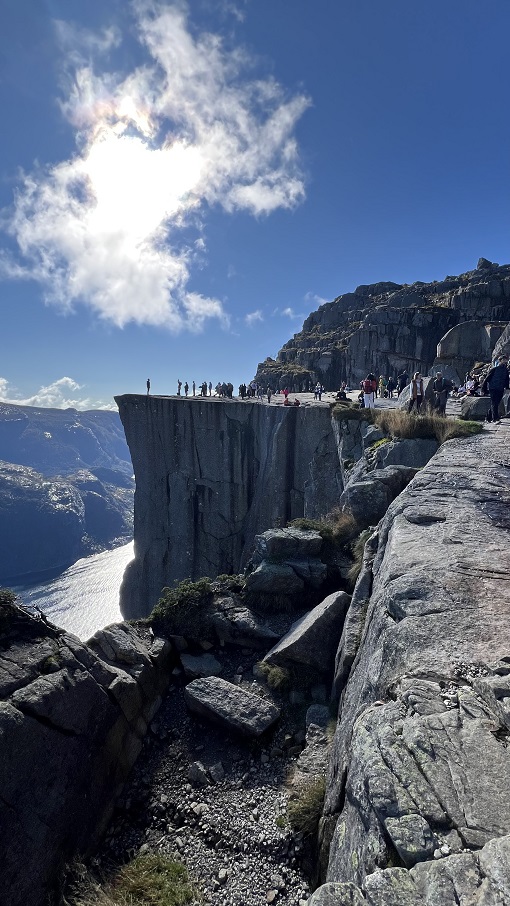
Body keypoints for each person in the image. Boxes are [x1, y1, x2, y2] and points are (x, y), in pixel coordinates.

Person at [482, 354, 510, 423]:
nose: (504, 362)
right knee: (494, 403)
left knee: (496, 403)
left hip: (500, 388)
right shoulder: (494, 369)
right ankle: (495, 419)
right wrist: (483, 389)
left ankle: (488, 417)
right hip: (493, 388)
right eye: (503, 360)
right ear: (499, 361)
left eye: (505, 360)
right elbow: (486, 379)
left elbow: (506, 380)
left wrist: (507, 388)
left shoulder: (506, 370)